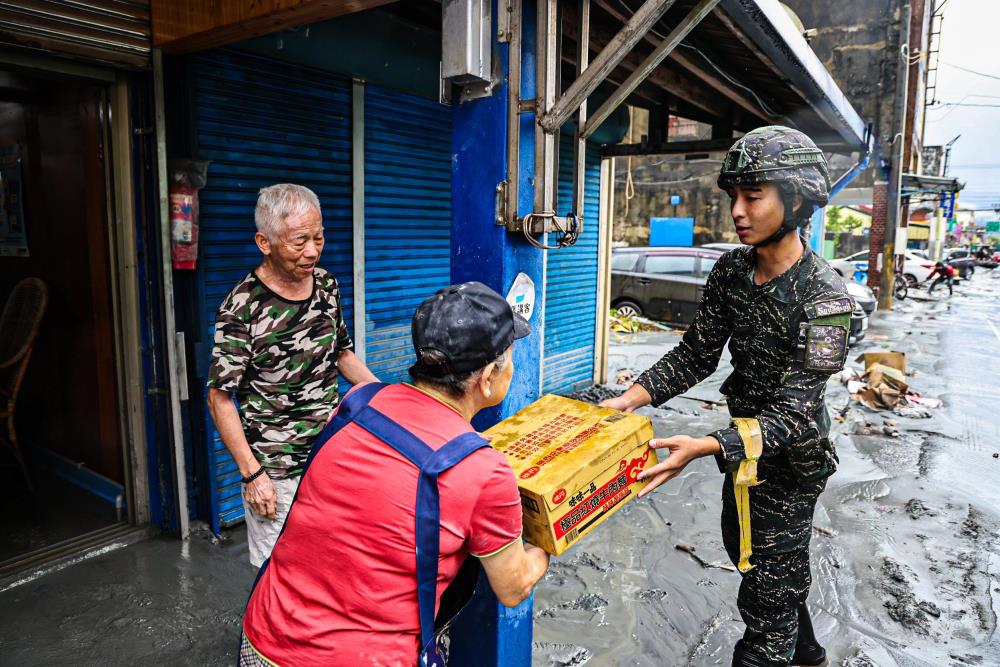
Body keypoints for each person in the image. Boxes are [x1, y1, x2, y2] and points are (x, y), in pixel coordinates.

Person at [601, 126, 849, 667]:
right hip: (742, 455)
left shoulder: (827, 299)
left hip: (791, 464)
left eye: (752, 196)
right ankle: (807, 653)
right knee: (753, 560)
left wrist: (704, 447)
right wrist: (630, 399)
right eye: (733, 195)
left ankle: (780, 646)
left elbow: (793, 414)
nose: (737, 210)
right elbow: (696, 353)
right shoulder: (732, 270)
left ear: (796, 200)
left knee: (766, 603)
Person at [239, 281, 550, 666]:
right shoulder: (483, 471)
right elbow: (513, 587)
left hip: (263, 639)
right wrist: (552, 536)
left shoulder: (358, 402)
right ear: (487, 378)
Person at [206, 183, 378, 568]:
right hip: (276, 471)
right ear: (264, 242)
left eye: (318, 238)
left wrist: (386, 399)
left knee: (333, 562)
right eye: (300, 241)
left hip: (332, 455)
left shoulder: (327, 286)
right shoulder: (242, 306)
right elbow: (219, 397)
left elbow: (342, 354)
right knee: (279, 573)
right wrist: (252, 475)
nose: (312, 251)